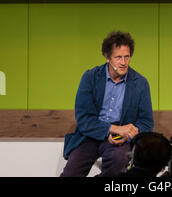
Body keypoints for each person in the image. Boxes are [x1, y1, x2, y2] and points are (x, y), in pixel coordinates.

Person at [60, 31, 154, 177]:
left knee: (118, 161)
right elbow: (84, 119)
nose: (123, 62)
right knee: (71, 173)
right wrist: (114, 129)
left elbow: (146, 123)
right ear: (107, 57)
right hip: (89, 136)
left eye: (127, 57)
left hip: (119, 140)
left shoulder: (140, 83)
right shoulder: (90, 77)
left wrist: (128, 135)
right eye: (118, 57)